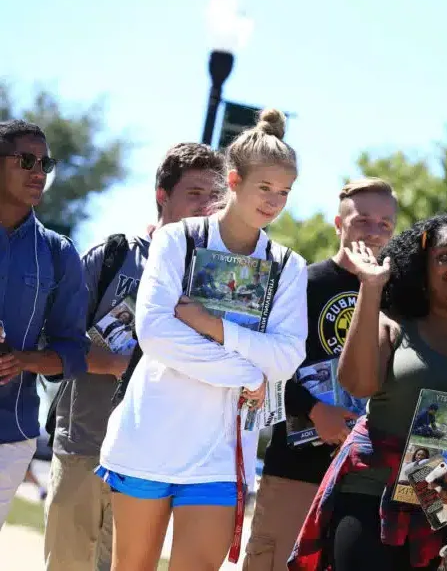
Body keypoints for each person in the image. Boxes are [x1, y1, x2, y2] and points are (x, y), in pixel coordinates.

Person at [98, 109, 308, 570]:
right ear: (233, 181)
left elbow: (288, 355)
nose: (274, 202)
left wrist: (211, 326)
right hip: (147, 439)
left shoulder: (287, 266)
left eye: (285, 193)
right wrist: (245, 369)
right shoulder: (178, 239)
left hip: (221, 456)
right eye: (265, 188)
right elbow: (154, 332)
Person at [289, 211, 447, 571]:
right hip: (373, 501)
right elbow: (357, 385)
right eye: (445, 256)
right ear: (422, 265)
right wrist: (371, 288)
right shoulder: (391, 326)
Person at [44, 143, 226, 571]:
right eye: (195, 193)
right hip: (86, 446)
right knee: (68, 564)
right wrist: (121, 365)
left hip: (152, 461)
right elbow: (57, 341)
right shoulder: (115, 257)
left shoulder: (215, 280)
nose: (207, 205)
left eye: (215, 196)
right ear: (162, 194)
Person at [244, 177, 399, 571]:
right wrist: (313, 409)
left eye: (385, 223)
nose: (374, 231)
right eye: (363, 221)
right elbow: (263, 362)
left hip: (366, 478)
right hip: (296, 468)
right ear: (338, 224)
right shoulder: (303, 283)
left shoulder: (400, 299)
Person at [0, 119, 89, 529]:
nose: (39, 173)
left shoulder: (58, 253)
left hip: (9, 434)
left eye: (45, 163)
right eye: (26, 160)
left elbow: (72, 352)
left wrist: (22, 360)